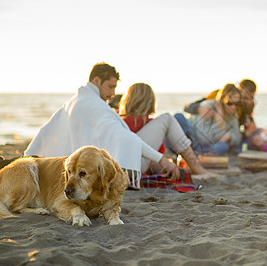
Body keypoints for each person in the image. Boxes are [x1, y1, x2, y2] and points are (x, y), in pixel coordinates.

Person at [24, 62, 179, 188]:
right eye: (110, 87)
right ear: (96, 81)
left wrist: (31, 158)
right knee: (166, 120)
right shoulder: (92, 104)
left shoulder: (77, 100)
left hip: (85, 170)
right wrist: (162, 160)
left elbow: (45, 132)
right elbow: (125, 138)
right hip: (109, 172)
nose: (113, 94)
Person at [118, 83, 212, 177]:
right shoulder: (146, 124)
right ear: (150, 102)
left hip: (123, 165)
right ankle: (196, 167)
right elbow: (154, 160)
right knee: (167, 118)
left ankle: (194, 165)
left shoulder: (118, 119)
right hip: (131, 166)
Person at [175, 83, 242, 156]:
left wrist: (229, 136)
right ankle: (194, 154)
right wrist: (219, 123)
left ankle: (198, 155)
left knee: (223, 146)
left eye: (237, 103)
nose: (233, 107)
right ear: (222, 100)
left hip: (205, 147)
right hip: (191, 138)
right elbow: (203, 139)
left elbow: (238, 136)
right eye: (229, 103)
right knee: (178, 117)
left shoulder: (232, 114)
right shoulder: (208, 107)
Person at [184, 79, 258, 143]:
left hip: (229, 131)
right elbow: (187, 107)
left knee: (255, 135)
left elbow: (245, 124)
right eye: (245, 97)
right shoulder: (218, 94)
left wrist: (248, 132)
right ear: (238, 90)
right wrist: (199, 109)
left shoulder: (249, 104)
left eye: (251, 98)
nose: (248, 101)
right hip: (214, 130)